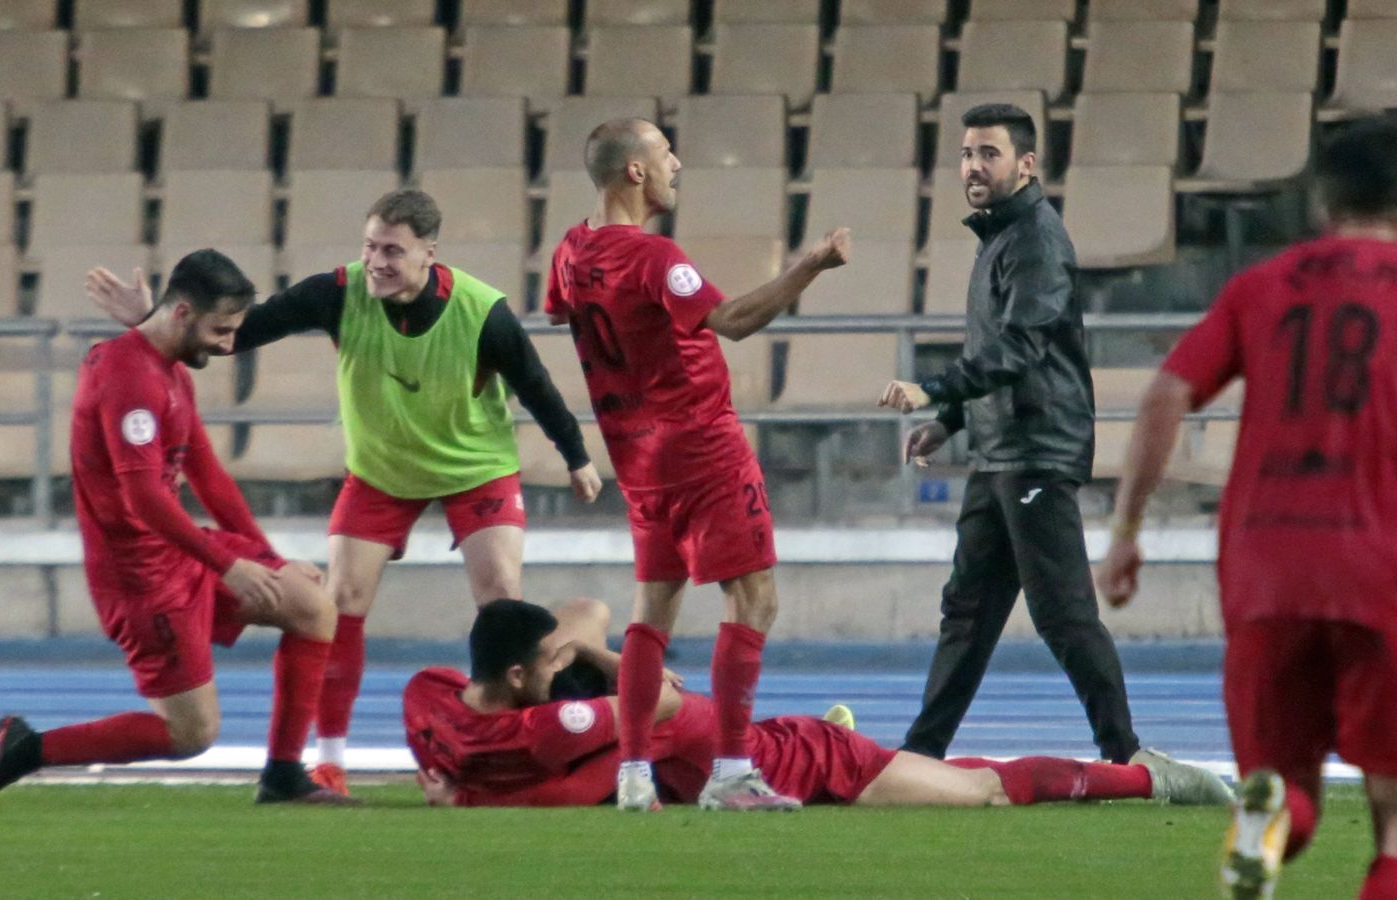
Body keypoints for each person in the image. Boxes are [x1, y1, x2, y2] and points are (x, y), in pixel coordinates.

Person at [89, 190, 600, 797]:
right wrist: (156, 321)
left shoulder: (481, 311)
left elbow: (535, 384)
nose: (376, 261)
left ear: (429, 253)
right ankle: (330, 760)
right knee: (341, 600)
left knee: (501, 602)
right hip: (381, 472)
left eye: (392, 250)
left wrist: (577, 457)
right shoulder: (338, 291)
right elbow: (233, 331)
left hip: (476, 468)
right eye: (370, 246)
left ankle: (500, 744)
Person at [1098, 119, 1397, 900]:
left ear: (1323, 205)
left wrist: (1127, 532)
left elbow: (1166, 393)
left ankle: (1275, 816)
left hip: (1264, 564)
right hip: (1381, 567)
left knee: (1284, 782)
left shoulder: (1262, 287)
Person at [543, 118, 850, 811]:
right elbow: (734, 321)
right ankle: (733, 773)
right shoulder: (653, 259)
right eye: (665, 153)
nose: (678, 163)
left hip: (638, 457)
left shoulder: (570, 248)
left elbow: (564, 312)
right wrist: (811, 265)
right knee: (754, 598)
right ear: (635, 173)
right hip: (702, 447)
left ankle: (632, 775)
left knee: (654, 606)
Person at [0, 250, 347, 805]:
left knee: (312, 607)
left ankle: (284, 778)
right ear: (184, 313)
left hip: (182, 552)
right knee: (192, 735)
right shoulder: (129, 378)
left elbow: (209, 476)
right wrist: (230, 566)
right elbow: (143, 498)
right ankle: (29, 748)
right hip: (141, 578)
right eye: (219, 330)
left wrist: (267, 558)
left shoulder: (165, 366)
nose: (226, 345)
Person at [875, 103, 1142, 766]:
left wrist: (934, 389)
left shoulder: (1037, 240)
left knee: (1062, 614)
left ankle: (1126, 756)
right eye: (967, 153)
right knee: (966, 614)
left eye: (988, 154)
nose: (972, 166)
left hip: (1036, 455)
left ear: (1025, 165)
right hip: (1001, 454)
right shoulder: (1000, 238)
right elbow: (1003, 351)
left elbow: (1021, 346)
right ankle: (920, 752)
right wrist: (951, 422)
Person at [403, 599, 1232, 811]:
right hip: (782, 755)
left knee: (982, 791)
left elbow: (568, 784)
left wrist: (467, 790)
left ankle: (1150, 781)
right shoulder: (441, 691)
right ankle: (1133, 774)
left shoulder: (618, 727)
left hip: (813, 763)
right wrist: (582, 649)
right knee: (956, 777)